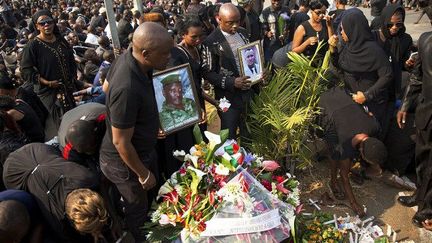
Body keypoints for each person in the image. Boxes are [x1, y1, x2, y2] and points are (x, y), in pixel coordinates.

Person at [99, 22, 173, 241]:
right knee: (137, 211)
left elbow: (105, 87)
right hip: (125, 162)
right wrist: (142, 173)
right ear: (146, 53)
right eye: (164, 54)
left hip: (139, 149)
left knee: (152, 198)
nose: (169, 57)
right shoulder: (127, 87)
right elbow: (121, 142)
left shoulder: (131, 58)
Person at [3, 143, 110, 242]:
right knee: (23, 202)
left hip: (38, 150)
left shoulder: (88, 177)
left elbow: (102, 193)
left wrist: (110, 220)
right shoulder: (57, 221)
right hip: (14, 173)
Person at [319, 87, 387, 217]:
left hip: (341, 95)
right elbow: (344, 175)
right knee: (334, 154)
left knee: (339, 152)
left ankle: (334, 178)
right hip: (327, 104)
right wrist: (354, 203)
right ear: (361, 151)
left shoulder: (374, 127)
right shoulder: (346, 143)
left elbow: (370, 115)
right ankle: (333, 181)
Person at [330, 8, 392, 136]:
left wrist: (367, 95)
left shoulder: (374, 51)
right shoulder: (347, 48)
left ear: (353, 29)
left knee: (372, 134)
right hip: (353, 101)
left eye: (343, 29)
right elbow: (339, 65)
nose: (341, 32)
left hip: (373, 104)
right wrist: (333, 49)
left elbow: (387, 75)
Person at [20, 10, 81, 140]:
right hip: (48, 91)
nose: (46, 25)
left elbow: (70, 58)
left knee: (73, 115)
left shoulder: (61, 40)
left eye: (49, 22)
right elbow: (25, 70)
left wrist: (73, 76)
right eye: (42, 23)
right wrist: (46, 82)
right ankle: (69, 145)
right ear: (37, 26)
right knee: (62, 119)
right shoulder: (33, 46)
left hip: (67, 87)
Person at [396, 30, 432, 228]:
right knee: (422, 159)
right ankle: (419, 196)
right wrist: (405, 106)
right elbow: (417, 78)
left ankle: (427, 210)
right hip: (425, 114)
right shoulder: (426, 40)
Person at [203, 3, 252, 139]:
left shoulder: (242, 33)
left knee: (249, 132)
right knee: (229, 135)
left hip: (248, 92)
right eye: (230, 23)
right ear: (219, 19)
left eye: (237, 21)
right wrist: (231, 82)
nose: (235, 26)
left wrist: (259, 71)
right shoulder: (211, 41)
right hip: (227, 97)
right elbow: (208, 73)